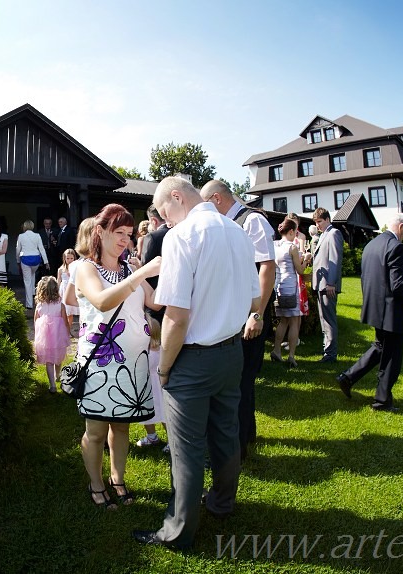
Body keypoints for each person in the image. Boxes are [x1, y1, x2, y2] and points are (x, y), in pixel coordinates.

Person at [133, 176, 260, 550]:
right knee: (224, 433)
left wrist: (165, 367)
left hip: (194, 356)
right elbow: (254, 297)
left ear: (177, 197)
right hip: (231, 352)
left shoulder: (182, 235)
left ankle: (178, 531)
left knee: (186, 448)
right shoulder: (236, 231)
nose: (164, 220)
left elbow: (176, 315)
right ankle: (222, 502)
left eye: (164, 212)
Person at [74, 204, 162, 511]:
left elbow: (155, 302)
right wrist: (141, 274)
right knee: (96, 431)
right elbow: (102, 301)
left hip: (132, 363)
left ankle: (118, 478)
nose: (125, 240)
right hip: (101, 362)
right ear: (100, 231)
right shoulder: (85, 268)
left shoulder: (129, 269)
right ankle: (96, 483)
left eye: (128, 233)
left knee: (122, 426)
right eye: (118, 232)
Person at [200, 180, 275, 461]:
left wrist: (256, 315)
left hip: (249, 315)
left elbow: (267, 268)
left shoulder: (251, 220)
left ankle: (238, 447)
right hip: (238, 313)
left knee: (239, 384)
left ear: (217, 199)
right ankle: (247, 434)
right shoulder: (231, 224)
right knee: (242, 381)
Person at [336, 213, 403, 412]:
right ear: (402, 226)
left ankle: (347, 377)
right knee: (392, 356)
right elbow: (398, 287)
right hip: (391, 312)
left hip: (375, 308)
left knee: (380, 347)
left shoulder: (372, 244)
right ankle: (382, 401)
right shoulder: (396, 247)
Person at [270, 218, 307, 368]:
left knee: (282, 321)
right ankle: (291, 355)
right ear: (291, 231)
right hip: (291, 288)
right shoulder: (292, 247)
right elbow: (300, 270)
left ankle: (276, 350)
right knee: (294, 322)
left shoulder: (275, 245)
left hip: (278, 287)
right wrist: (306, 260)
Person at [309, 207, 344, 363]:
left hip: (327, 286)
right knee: (324, 319)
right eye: (316, 223)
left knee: (329, 319)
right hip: (321, 284)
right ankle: (327, 350)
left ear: (328, 219)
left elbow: (334, 260)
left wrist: (331, 283)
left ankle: (330, 354)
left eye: (320, 222)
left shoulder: (334, 233)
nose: (318, 225)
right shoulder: (324, 235)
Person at [135, 314, 170, 453]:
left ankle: (168, 440)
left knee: (162, 414)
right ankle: (152, 437)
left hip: (154, 387)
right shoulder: (161, 349)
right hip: (153, 387)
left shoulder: (148, 352)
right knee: (152, 413)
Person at [33, 276, 70, 393]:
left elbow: (35, 321)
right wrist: (68, 332)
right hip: (58, 336)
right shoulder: (60, 305)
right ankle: (57, 375)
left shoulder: (40, 305)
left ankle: (52, 385)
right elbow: (65, 321)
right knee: (58, 357)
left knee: (49, 361)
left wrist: (38, 334)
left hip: (45, 338)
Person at [140, 203, 170, 323]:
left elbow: (146, 268)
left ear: (153, 220)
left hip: (154, 297)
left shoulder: (153, 237)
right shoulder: (180, 233)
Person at [17, 220, 49, 309]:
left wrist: (18, 260)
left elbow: (18, 249)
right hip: (36, 259)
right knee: (32, 275)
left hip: (25, 259)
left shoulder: (21, 236)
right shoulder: (37, 235)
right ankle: (33, 294)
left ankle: (29, 304)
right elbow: (42, 249)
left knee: (27, 281)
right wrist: (46, 261)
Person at [57, 248, 78, 335]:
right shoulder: (61, 269)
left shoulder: (76, 268)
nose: (69, 260)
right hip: (63, 290)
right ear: (64, 258)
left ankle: (67, 331)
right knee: (64, 312)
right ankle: (63, 330)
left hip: (72, 290)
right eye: (67, 258)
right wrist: (57, 293)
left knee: (71, 313)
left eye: (71, 258)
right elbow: (58, 281)